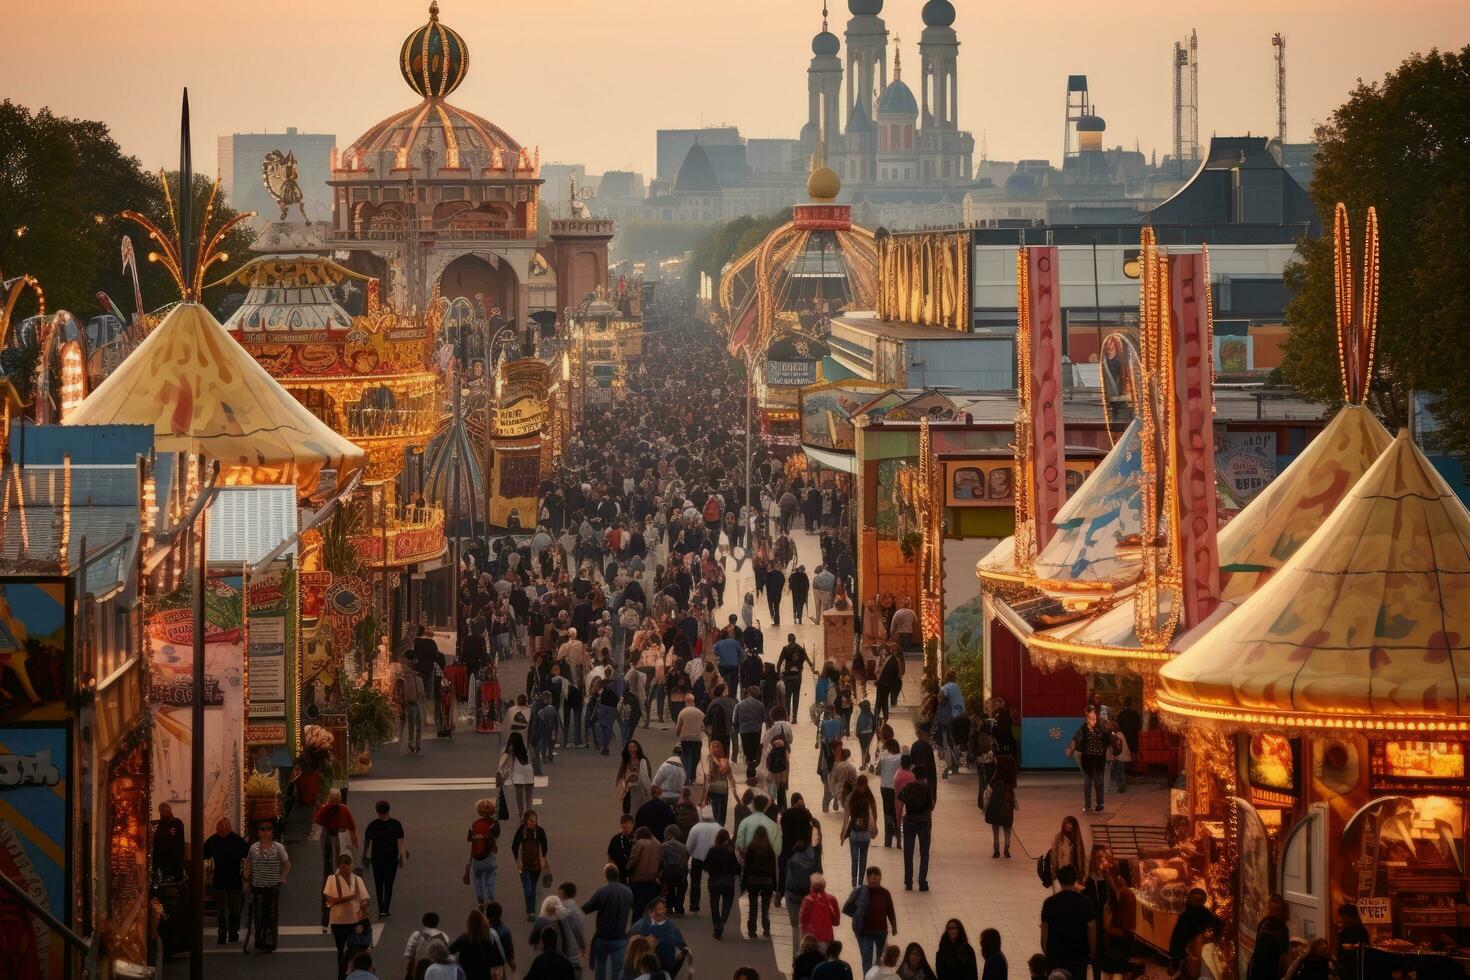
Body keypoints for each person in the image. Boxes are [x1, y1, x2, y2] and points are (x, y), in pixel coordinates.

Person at [243, 820, 291, 953]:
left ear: (272, 832)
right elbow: (248, 862)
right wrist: (246, 879)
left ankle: (269, 943)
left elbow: (287, 864)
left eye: (268, 829)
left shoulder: (278, 848)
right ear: (258, 832)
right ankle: (259, 942)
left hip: (272, 887)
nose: (265, 832)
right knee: (257, 916)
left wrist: (282, 877)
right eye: (262, 829)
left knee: (271, 916)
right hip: (257, 886)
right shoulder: (254, 848)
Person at [1040, 865, 1095, 980]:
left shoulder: (1049, 903)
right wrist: (1091, 953)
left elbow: (1045, 929)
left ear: (1059, 881)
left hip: (1056, 955)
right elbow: (1091, 928)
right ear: (1075, 880)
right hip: (1078, 956)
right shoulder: (1085, 902)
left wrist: (1047, 951)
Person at [583, 864, 635, 980]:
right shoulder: (627, 892)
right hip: (620, 937)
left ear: (606, 876)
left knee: (600, 966)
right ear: (617, 875)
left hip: (603, 936)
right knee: (617, 970)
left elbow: (587, 908)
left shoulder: (601, 891)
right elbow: (634, 909)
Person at [325, 853, 372, 980]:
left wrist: (364, 907)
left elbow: (365, 899)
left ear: (350, 866)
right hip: (338, 921)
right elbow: (330, 899)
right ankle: (342, 974)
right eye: (342, 868)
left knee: (355, 949)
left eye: (346, 867)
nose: (344, 870)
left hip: (354, 920)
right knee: (341, 950)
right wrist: (349, 898)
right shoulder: (332, 879)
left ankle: (354, 972)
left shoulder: (357, 879)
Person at [844, 866, 898, 974]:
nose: (873, 879)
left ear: (880, 878)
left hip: (881, 932)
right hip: (866, 932)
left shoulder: (885, 893)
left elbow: (890, 910)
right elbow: (848, 907)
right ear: (867, 878)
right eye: (870, 876)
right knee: (867, 960)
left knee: (878, 960)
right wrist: (857, 916)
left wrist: (894, 926)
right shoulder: (861, 892)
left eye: (876, 876)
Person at [202, 817, 248, 944]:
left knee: (226, 910)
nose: (220, 832)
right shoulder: (237, 841)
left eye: (222, 829)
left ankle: (226, 933)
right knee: (230, 910)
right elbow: (247, 855)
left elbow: (204, 853)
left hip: (224, 880)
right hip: (230, 880)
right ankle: (230, 933)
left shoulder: (215, 840)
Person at [364, 800, 406, 919]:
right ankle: (385, 908)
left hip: (377, 858)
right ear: (389, 809)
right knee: (389, 883)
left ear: (377, 811)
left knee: (378, 883)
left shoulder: (373, 825)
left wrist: (365, 856)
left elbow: (367, 842)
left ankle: (380, 907)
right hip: (391, 858)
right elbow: (401, 842)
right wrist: (402, 856)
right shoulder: (396, 824)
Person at [1068, 706, 1112, 813]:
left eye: (1094, 716)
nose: (1092, 718)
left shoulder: (1101, 727)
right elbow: (1075, 738)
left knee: (1098, 782)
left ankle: (1099, 804)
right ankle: (1088, 806)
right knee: (1088, 783)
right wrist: (1071, 748)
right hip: (1088, 760)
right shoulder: (1084, 728)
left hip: (1098, 760)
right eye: (1090, 716)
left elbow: (1109, 737)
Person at [626, 897, 687, 976]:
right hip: (642, 968)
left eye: (664, 908)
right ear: (651, 911)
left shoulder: (671, 927)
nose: (663, 911)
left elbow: (681, 947)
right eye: (660, 909)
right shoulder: (641, 925)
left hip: (664, 966)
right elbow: (631, 942)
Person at [1098, 860, 1137, 980]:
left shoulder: (1124, 894)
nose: (1105, 876)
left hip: (1118, 947)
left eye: (1107, 873)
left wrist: (1107, 928)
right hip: (1113, 946)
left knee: (1115, 974)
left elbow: (1125, 930)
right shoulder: (1116, 892)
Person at [898, 765, 934, 891]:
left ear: (914, 775)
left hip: (909, 821)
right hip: (924, 822)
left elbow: (900, 800)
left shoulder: (908, 787)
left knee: (908, 852)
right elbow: (931, 806)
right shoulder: (927, 788)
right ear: (924, 776)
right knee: (924, 853)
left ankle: (908, 882)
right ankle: (922, 882)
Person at [511, 810, 552, 922]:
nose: (533, 822)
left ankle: (532, 911)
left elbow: (544, 846)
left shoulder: (539, 831)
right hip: (524, 865)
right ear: (526, 820)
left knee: (532, 888)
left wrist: (543, 859)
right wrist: (518, 861)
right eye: (531, 820)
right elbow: (514, 846)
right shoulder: (521, 831)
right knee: (527, 888)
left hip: (536, 865)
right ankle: (530, 911)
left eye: (535, 820)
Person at [1168, 888, 1220, 977]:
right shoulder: (1204, 914)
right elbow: (1177, 939)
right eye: (1195, 899)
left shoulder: (1188, 915)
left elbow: (1176, 940)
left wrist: (1176, 960)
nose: (1196, 902)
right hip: (1189, 955)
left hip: (1190, 955)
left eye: (1197, 900)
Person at [703, 829, 742, 940]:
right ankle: (722, 923)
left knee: (714, 905)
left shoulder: (712, 850)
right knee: (727, 905)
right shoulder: (730, 852)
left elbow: (706, 866)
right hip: (728, 882)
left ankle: (716, 925)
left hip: (714, 881)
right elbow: (737, 869)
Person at [743, 825, 779, 939]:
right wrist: (775, 884)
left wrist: (744, 882)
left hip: (753, 880)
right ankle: (766, 927)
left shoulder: (751, 847)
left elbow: (747, 867)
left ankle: (752, 930)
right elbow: (773, 867)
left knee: (753, 906)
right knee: (765, 906)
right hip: (767, 881)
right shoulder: (769, 848)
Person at [449, 908, 506, 980]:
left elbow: (448, 951)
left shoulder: (463, 939)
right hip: (484, 976)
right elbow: (499, 960)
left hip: (467, 976)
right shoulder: (486, 942)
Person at [465, 799, 502, 911]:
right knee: (490, 875)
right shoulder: (493, 824)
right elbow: (497, 835)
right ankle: (490, 897)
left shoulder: (475, 824)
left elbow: (468, 838)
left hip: (476, 858)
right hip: (489, 856)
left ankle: (480, 901)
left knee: (477, 878)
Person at [1249, 894, 1292, 980]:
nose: (1275, 906)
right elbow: (1257, 950)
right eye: (1273, 902)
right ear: (1269, 906)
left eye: (1277, 903)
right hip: (1261, 971)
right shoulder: (1264, 925)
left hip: (1274, 971)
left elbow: (1284, 953)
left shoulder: (1283, 928)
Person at [984, 756, 1018, 859]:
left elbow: (990, 782)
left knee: (995, 826)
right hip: (1007, 801)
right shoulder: (1011, 777)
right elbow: (1014, 784)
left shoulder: (996, 776)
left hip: (996, 801)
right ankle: (1007, 848)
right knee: (1007, 827)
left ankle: (996, 849)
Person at [798, 872, 841, 947]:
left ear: (811, 886)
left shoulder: (807, 900)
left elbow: (802, 920)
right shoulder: (832, 899)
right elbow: (836, 922)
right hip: (827, 938)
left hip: (810, 940)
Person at [404, 913, 451, 980]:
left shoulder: (417, 935)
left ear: (423, 922)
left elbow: (408, 953)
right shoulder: (444, 936)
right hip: (436, 972)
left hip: (418, 971)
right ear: (437, 923)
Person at [501, 732, 537, 818]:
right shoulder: (526, 747)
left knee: (519, 797)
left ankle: (521, 815)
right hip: (528, 771)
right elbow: (534, 758)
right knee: (529, 796)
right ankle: (529, 814)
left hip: (518, 773)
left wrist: (503, 775)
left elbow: (507, 762)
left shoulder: (512, 748)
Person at [659, 826, 691, 916]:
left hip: (668, 871)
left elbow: (660, 859)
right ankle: (679, 907)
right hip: (680, 872)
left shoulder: (663, 846)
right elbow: (686, 858)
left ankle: (669, 907)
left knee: (670, 888)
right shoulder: (682, 846)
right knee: (681, 888)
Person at [1049, 817, 1087, 889]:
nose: (1069, 826)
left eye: (1071, 824)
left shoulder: (1077, 838)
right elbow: (1055, 856)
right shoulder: (1059, 837)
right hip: (1063, 873)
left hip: (1075, 872)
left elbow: (1083, 857)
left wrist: (1083, 874)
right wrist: (1057, 872)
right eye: (1067, 823)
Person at [153, 802, 186, 881]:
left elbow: (177, 843)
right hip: (164, 860)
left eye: (165, 810)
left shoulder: (176, 823)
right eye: (162, 811)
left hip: (172, 860)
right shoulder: (161, 824)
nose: (163, 813)